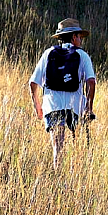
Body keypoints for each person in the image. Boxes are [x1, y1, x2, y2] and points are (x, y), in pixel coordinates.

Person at [29, 18, 97, 169]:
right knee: (76, 148)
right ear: (73, 37)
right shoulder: (82, 56)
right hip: (75, 107)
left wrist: (38, 108)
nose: (81, 40)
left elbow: (33, 83)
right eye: (79, 36)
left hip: (52, 106)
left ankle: (57, 176)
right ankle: (74, 179)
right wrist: (89, 108)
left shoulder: (48, 54)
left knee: (57, 147)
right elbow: (91, 82)